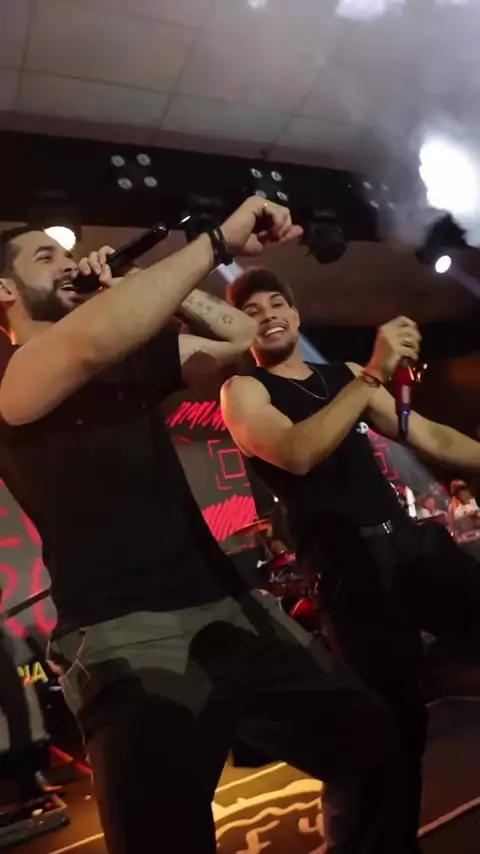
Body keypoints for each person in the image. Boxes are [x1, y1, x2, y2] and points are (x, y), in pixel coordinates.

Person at [0, 202, 405, 854]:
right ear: (5, 289)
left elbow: (236, 337)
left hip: (229, 607)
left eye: (68, 252)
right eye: (47, 256)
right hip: (125, 634)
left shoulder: (126, 357)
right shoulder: (13, 373)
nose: (70, 262)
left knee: (372, 741)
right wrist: (216, 241)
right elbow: (85, 343)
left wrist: (135, 282)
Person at [221, 266, 480, 854]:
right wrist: (371, 372)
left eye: (276, 303)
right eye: (252, 311)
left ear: (295, 314)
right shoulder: (245, 391)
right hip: (347, 564)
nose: (268, 315)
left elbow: (428, 436)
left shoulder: (340, 376)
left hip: (407, 542)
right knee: (394, 726)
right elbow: (297, 452)